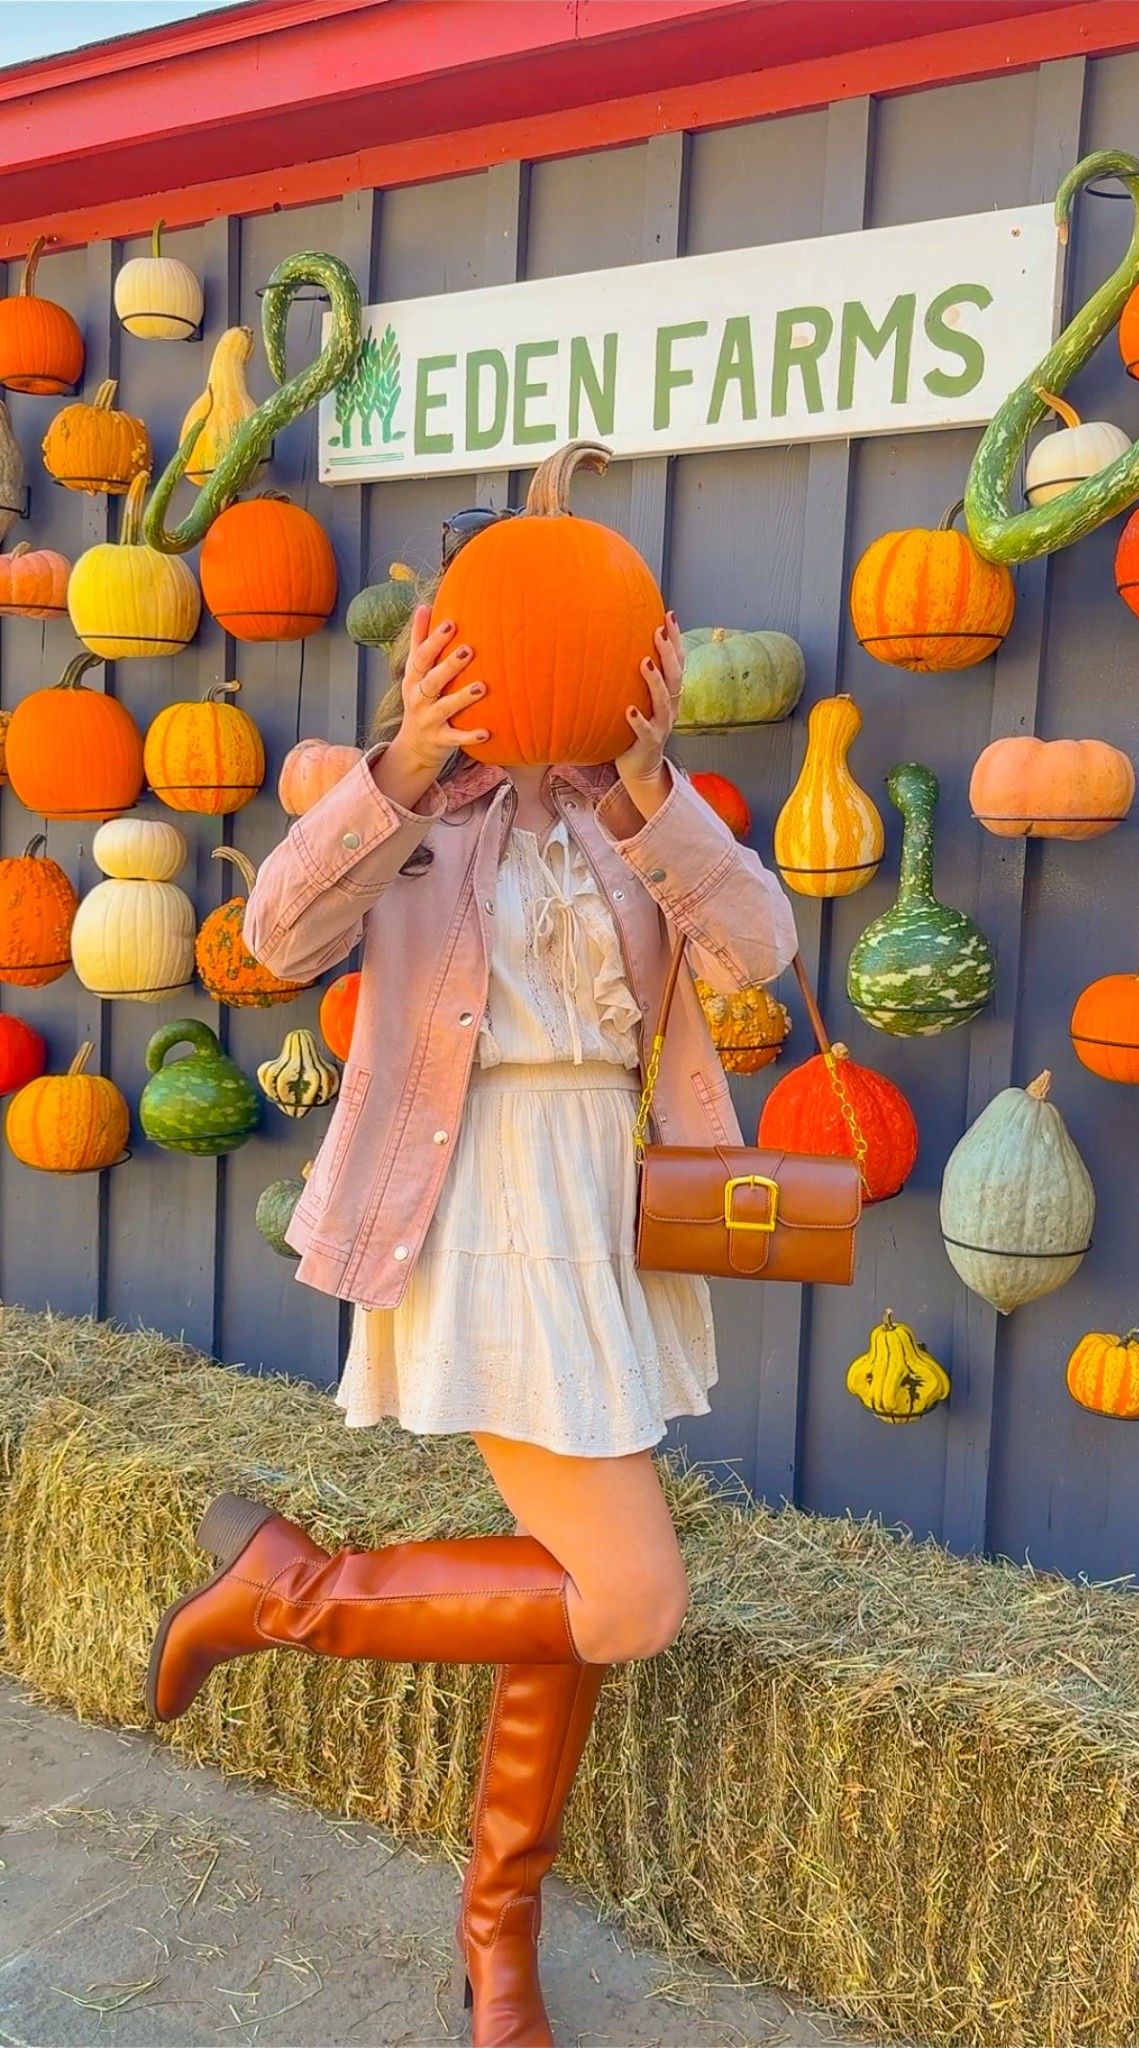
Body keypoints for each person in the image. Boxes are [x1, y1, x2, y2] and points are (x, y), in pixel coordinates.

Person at [144, 503, 797, 2048]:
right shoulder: (412, 806)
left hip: (608, 1216)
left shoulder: (643, 812)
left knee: (571, 1592)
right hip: (476, 1206)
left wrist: (651, 793)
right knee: (629, 1598)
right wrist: (397, 773)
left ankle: (495, 1929)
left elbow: (761, 951)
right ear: (450, 646)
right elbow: (275, 936)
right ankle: (289, 1596)